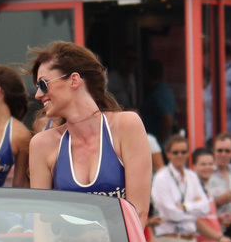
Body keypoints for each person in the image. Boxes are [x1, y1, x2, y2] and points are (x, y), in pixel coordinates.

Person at [27, 41, 152, 224]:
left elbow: (138, 213)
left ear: (74, 80)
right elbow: (42, 224)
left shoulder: (125, 126)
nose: (38, 94)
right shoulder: (42, 144)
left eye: (43, 84)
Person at [151, 136, 211, 242]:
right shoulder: (161, 178)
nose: (180, 155)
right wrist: (195, 210)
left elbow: (206, 207)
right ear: (168, 154)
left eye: (183, 152)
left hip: (191, 239)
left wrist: (184, 207)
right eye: (175, 152)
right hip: (169, 239)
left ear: (188, 154)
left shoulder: (192, 176)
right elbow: (171, 214)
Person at [191, 148, 231, 242]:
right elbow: (194, 219)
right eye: (203, 164)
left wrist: (218, 219)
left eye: (210, 164)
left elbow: (204, 217)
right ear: (194, 166)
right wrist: (220, 238)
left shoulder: (206, 189)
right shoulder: (192, 189)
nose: (207, 167)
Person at [206, 133, 231, 227]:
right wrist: (219, 201)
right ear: (213, 151)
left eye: (227, 151)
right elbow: (199, 206)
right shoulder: (207, 173)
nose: (223, 154)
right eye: (219, 151)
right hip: (213, 228)